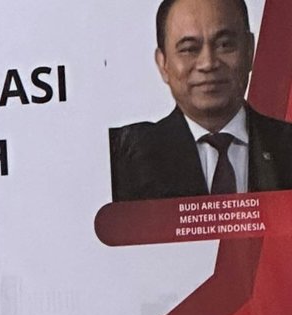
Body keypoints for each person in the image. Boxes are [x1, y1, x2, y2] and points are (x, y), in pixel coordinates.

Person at [109, 0, 292, 201]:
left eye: (224, 45)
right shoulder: (126, 158)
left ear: (249, 50)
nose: (208, 63)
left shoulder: (286, 144)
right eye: (189, 49)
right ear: (163, 63)